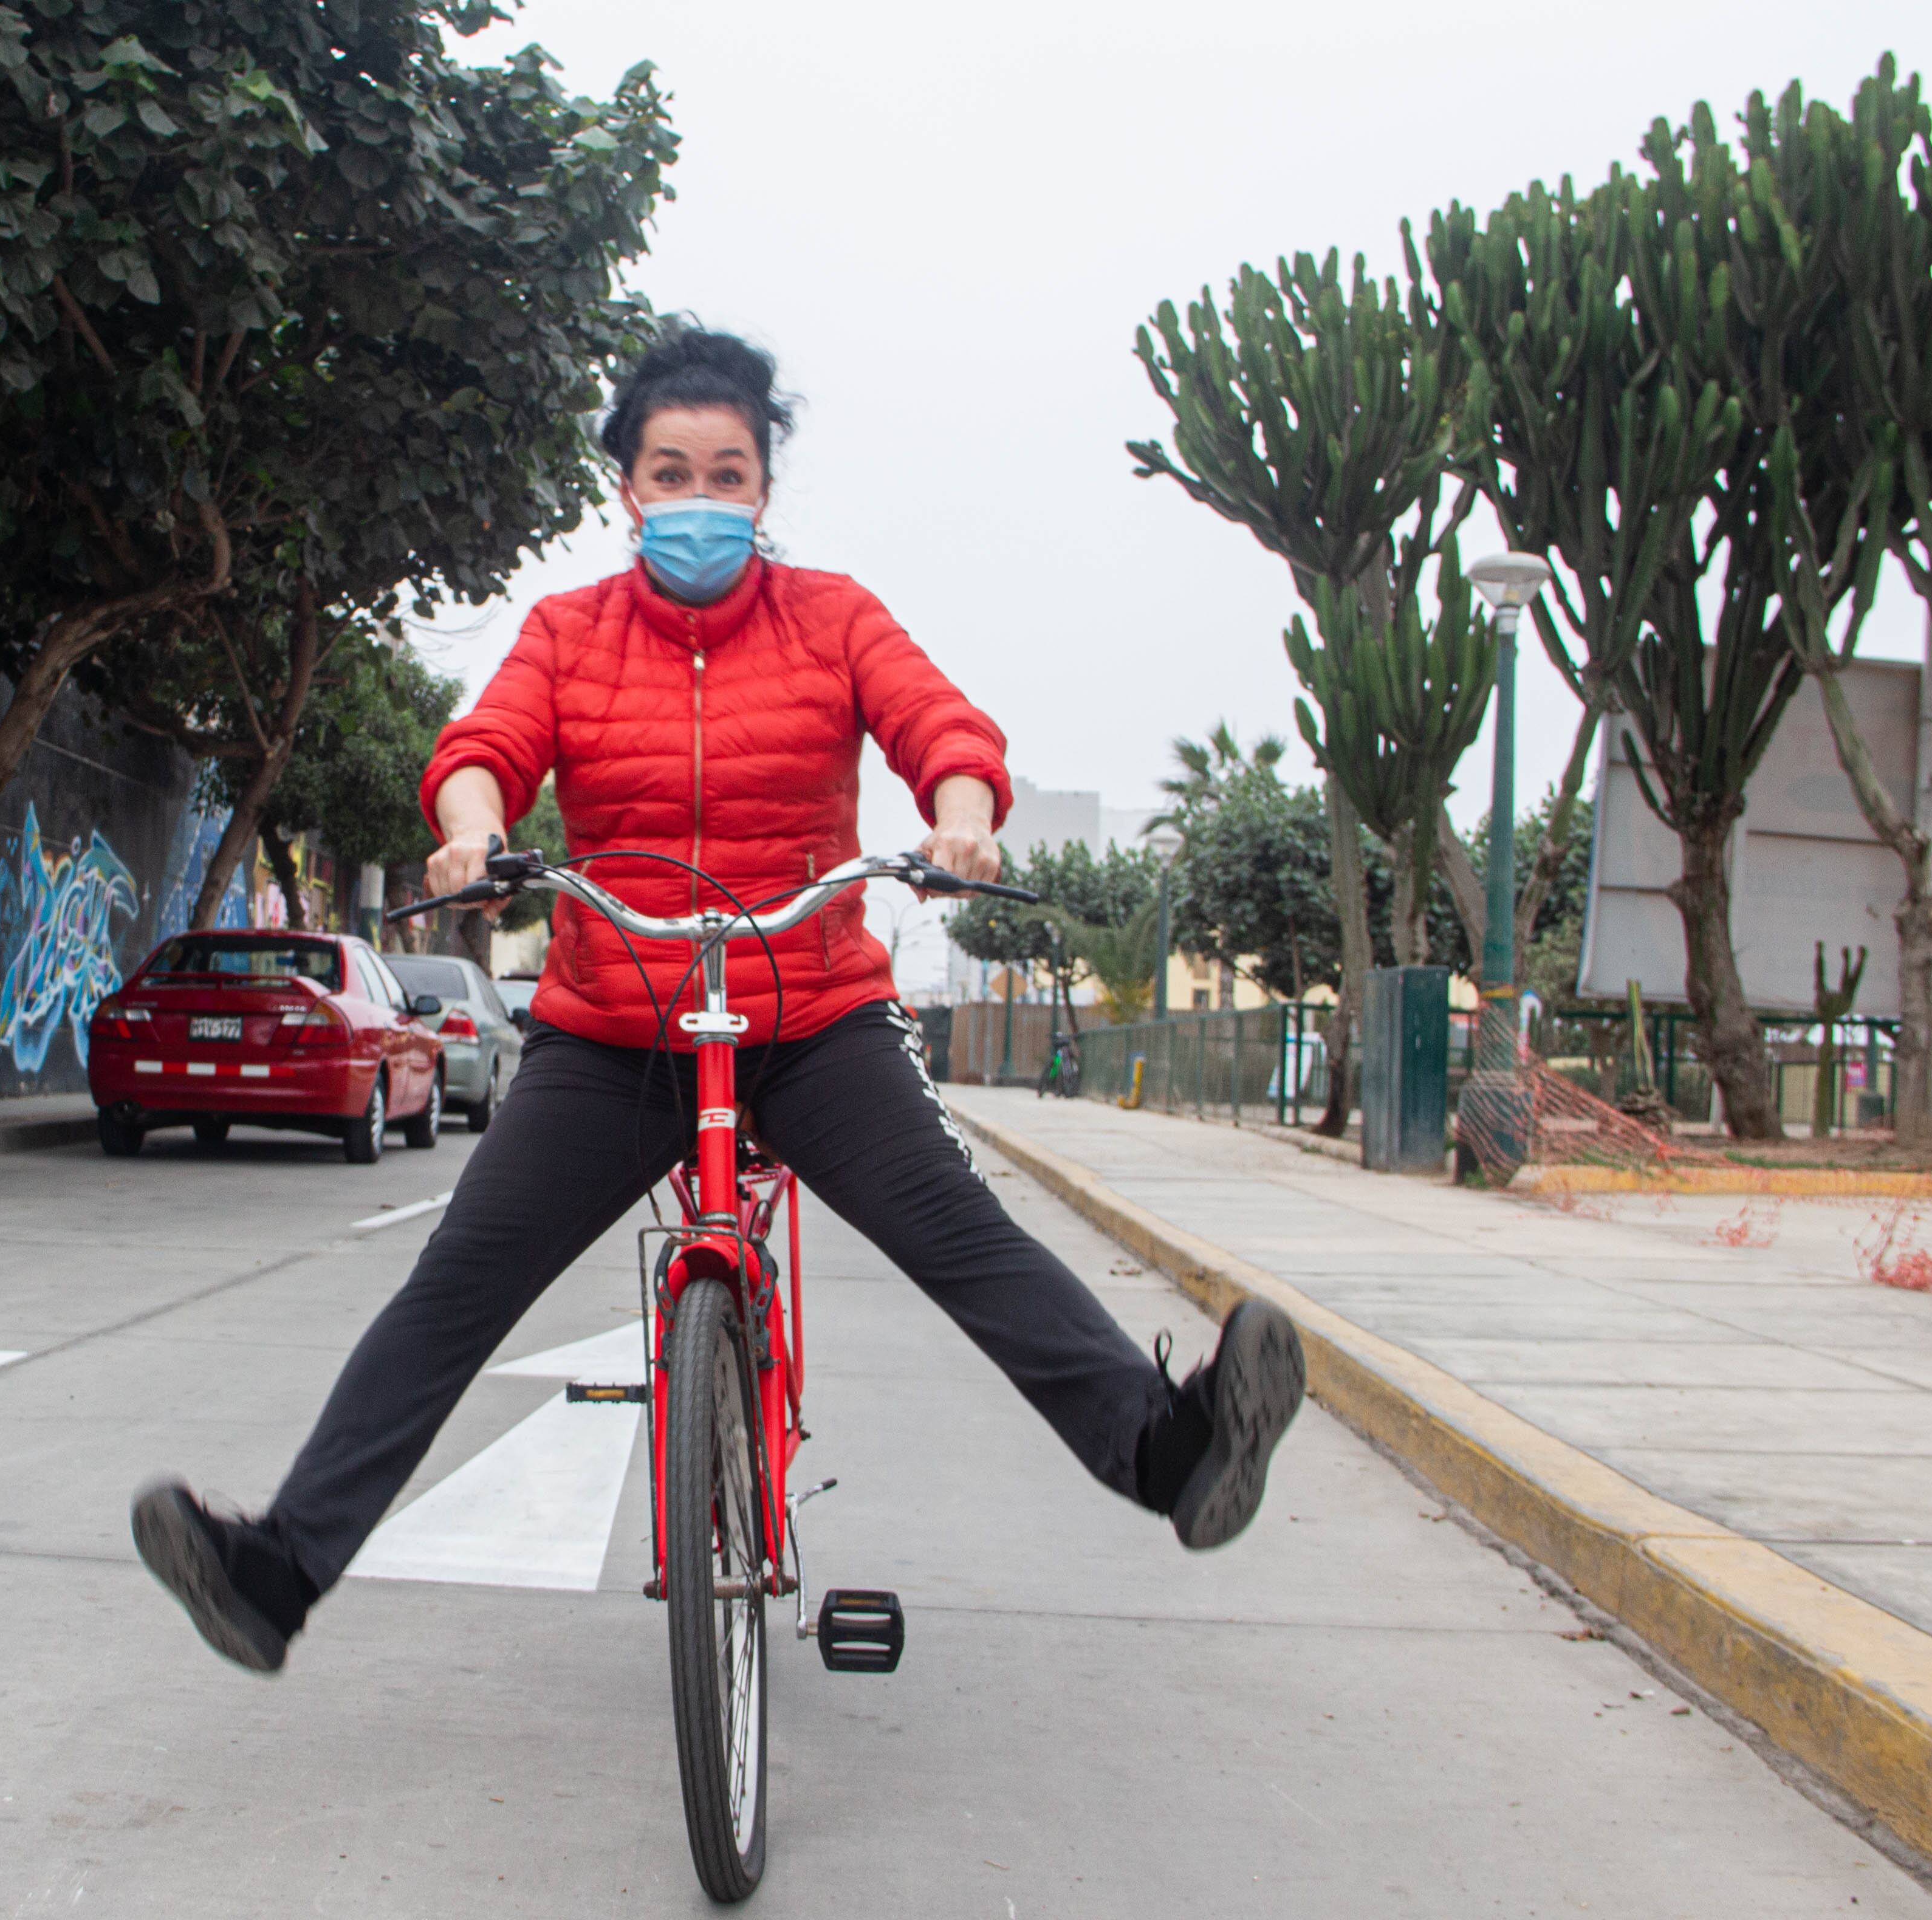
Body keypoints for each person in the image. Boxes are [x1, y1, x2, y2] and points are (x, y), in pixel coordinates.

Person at [131, 327, 1306, 1672]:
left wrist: (963, 821)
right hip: (613, 1026)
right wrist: (468, 831)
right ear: (626, 490)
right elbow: (484, 751)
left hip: (810, 1016)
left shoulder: (834, 617)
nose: (700, 495)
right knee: (452, 1284)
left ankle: (1169, 1450)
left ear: (762, 490)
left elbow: (942, 732)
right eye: (670, 470)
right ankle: (272, 1572)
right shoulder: (566, 634)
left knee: (961, 1232)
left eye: (728, 472)